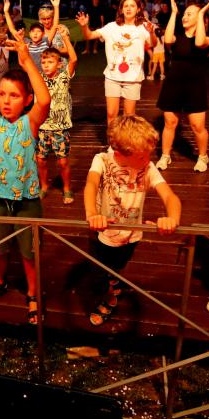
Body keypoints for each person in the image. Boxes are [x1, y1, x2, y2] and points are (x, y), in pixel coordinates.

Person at [0, 36, 50, 325]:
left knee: (29, 251)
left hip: (27, 201)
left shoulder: (31, 121)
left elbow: (45, 99)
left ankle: (33, 292)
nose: (6, 100)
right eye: (2, 94)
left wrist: (27, 61)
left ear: (26, 100)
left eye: (14, 95)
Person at [84, 115, 180, 326]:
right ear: (119, 154)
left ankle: (113, 278)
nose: (148, 160)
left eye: (149, 154)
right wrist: (92, 214)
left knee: (118, 264)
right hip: (101, 231)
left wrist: (172, 218)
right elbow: (91, 184)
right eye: (142, 156)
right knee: (98, 271)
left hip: (131, 235)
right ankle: (109, 296)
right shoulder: (102, 160)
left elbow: (170, 197)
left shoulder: (147, 168)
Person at [156, 0, 209, 173]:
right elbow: (167, 39)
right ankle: (165, 155)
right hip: (173, 84)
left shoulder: (207, 39)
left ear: (200, 19)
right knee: (170, 123)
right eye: (185, 13)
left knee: (197, 126)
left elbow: (198, 42)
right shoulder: (178, 38)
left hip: (194, 86)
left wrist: (202, 14)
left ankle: (203, 156)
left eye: (190, 14)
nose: (185, 16)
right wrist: (174, 13)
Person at [77, 0, 154, 124]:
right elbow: (89, 36)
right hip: (112, 77)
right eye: (126, 6)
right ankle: (112, 138)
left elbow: (152, 44)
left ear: (138, 9)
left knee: (129, 116)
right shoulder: (111, 27)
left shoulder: (143, 27)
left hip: (133, 78)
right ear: (121, 9)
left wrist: (151, 32)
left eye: (132, 6)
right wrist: (84, 26)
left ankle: (126, 138)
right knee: (111, 114)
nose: (128, 8)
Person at [37, 37, 78, 204]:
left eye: (50, 62)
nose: (46, 65)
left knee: (63, 162)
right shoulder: (38, 78)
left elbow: (73, 59)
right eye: (43, 62)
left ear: (59, 64)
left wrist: (66, 39)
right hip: (42, 127)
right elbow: (24, 63)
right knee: (41, 160)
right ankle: (43, 186)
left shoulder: (64, 76)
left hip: (61, 128)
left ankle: (67, 188)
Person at [3, 0, 61, 70]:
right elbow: (12, 30)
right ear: (30, 34)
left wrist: (56, 7)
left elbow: (55, 25)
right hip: (32, 74)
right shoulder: (27, 43)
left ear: (43, 34)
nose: (35, 33)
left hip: (45, 74)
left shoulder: (46, 42)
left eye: (38, 31)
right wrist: (6, 12)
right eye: (33, 31)